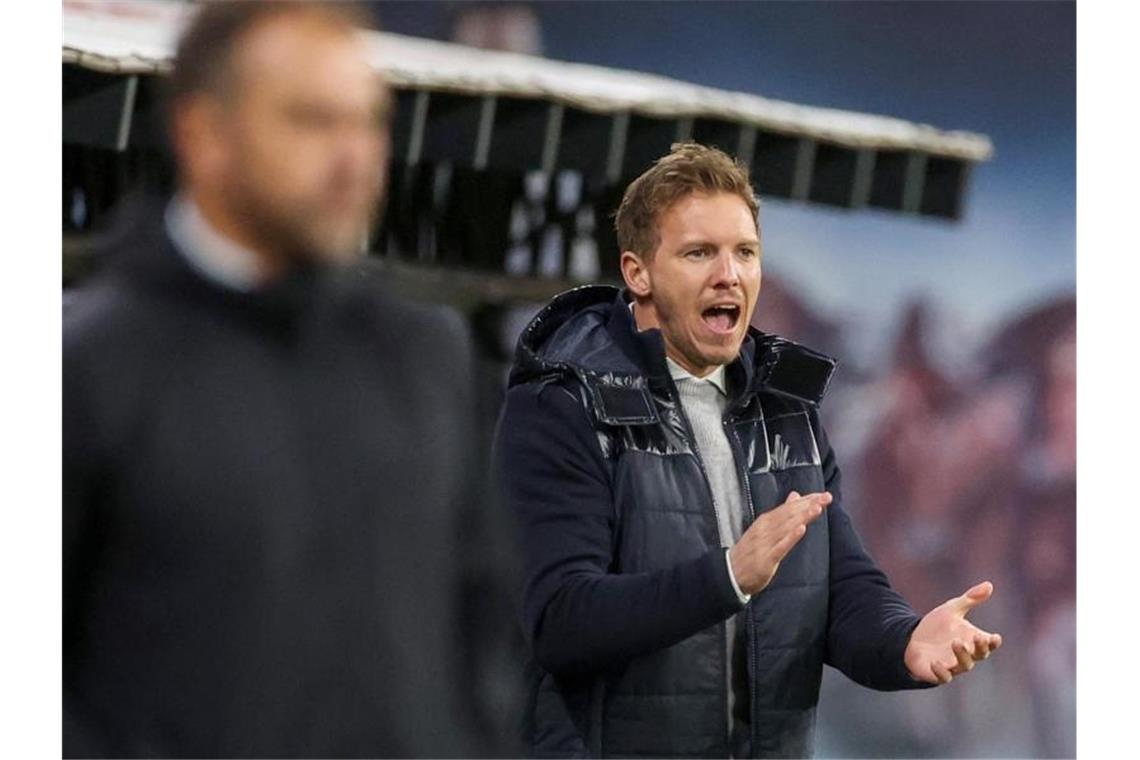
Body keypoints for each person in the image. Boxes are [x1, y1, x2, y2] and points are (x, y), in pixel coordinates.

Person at [63, 3, 514, 756]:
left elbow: (484, 626)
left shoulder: (427, 357)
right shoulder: (88, 369)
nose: (354, 158)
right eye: (310, 121)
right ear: (203, 135)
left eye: (368, 122)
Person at [493, 142, 1003, 758]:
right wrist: (728, 577)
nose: (728, 274)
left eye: (745, 252)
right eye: (699, 252)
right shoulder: (562, 407)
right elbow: (560, 622)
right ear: (638, 273)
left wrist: (906, 640)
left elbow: (841, 589)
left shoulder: (787, 412)